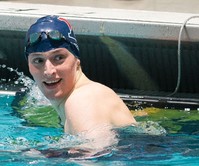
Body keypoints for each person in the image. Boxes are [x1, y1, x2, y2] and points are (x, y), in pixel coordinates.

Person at [24, 15, 136, 143]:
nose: (49, 71)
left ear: (76, 60)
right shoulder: (79, 97)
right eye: (38, 60)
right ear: (29, 66)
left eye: (59, 58)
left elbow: (97, 154)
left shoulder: (82, 99)